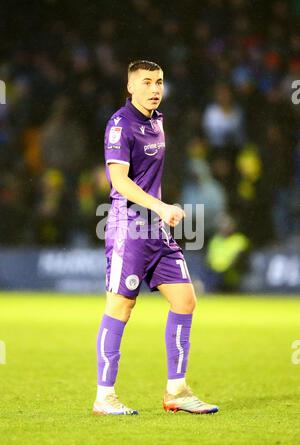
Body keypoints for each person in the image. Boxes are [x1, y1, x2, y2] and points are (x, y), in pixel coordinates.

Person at [93, 60, 219, 416]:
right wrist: (161, 206)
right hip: (128, 228)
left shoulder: (157, 121)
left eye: (160, 82)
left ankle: (176, 390)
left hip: (156, 230)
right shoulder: (121, 123)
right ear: (130, 87)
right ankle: (104, 397)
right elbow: (119, 181)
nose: (154, 89)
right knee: (121, 306)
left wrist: (160, 212)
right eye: (146, 82)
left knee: (185, 300)